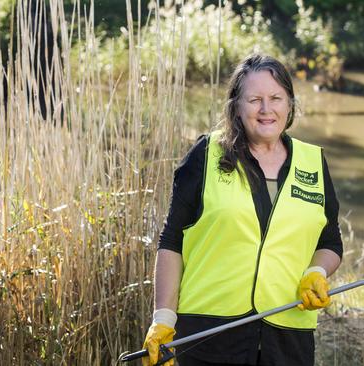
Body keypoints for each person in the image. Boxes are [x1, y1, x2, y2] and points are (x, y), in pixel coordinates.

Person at [142, 54, 343, 366]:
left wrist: (316, 272)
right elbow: (172, 240)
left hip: (288, 337)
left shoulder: (313, 162)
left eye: (276, 98)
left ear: (289, 103)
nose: (266, 109)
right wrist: (163, 319)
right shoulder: (205, 155)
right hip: (210, 334)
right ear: (236, 105)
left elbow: (329, 242)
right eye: (255, 99)